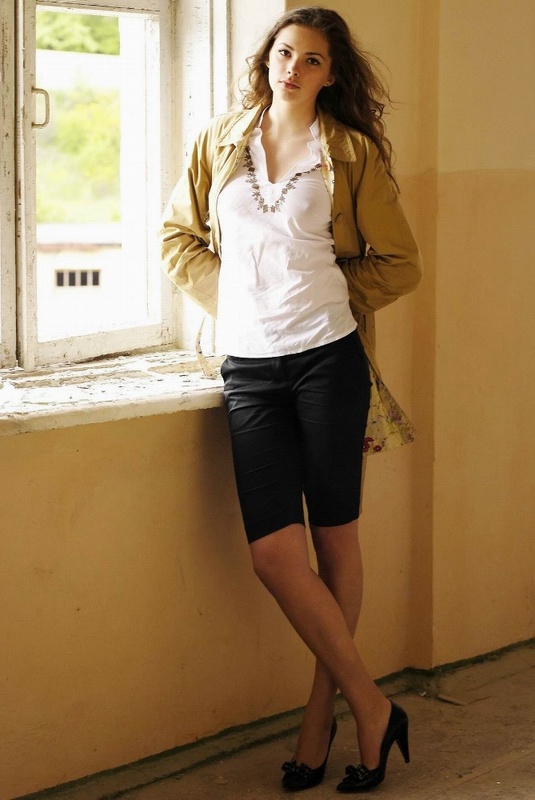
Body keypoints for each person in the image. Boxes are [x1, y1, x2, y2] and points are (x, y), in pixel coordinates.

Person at [160, 5, 422, 793]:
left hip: (327, 363)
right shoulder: (220, 141)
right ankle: (372, 705)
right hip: (248, 368)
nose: (293, 68)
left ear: (331, 75)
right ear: (264, 60)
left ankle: (318, 721)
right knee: (273, 555)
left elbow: (399, 261)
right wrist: (240, 302)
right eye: (283, 53)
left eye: (311, 60)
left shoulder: (350, 152)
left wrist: (326, 298)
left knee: (334, 542)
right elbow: (177, 238)